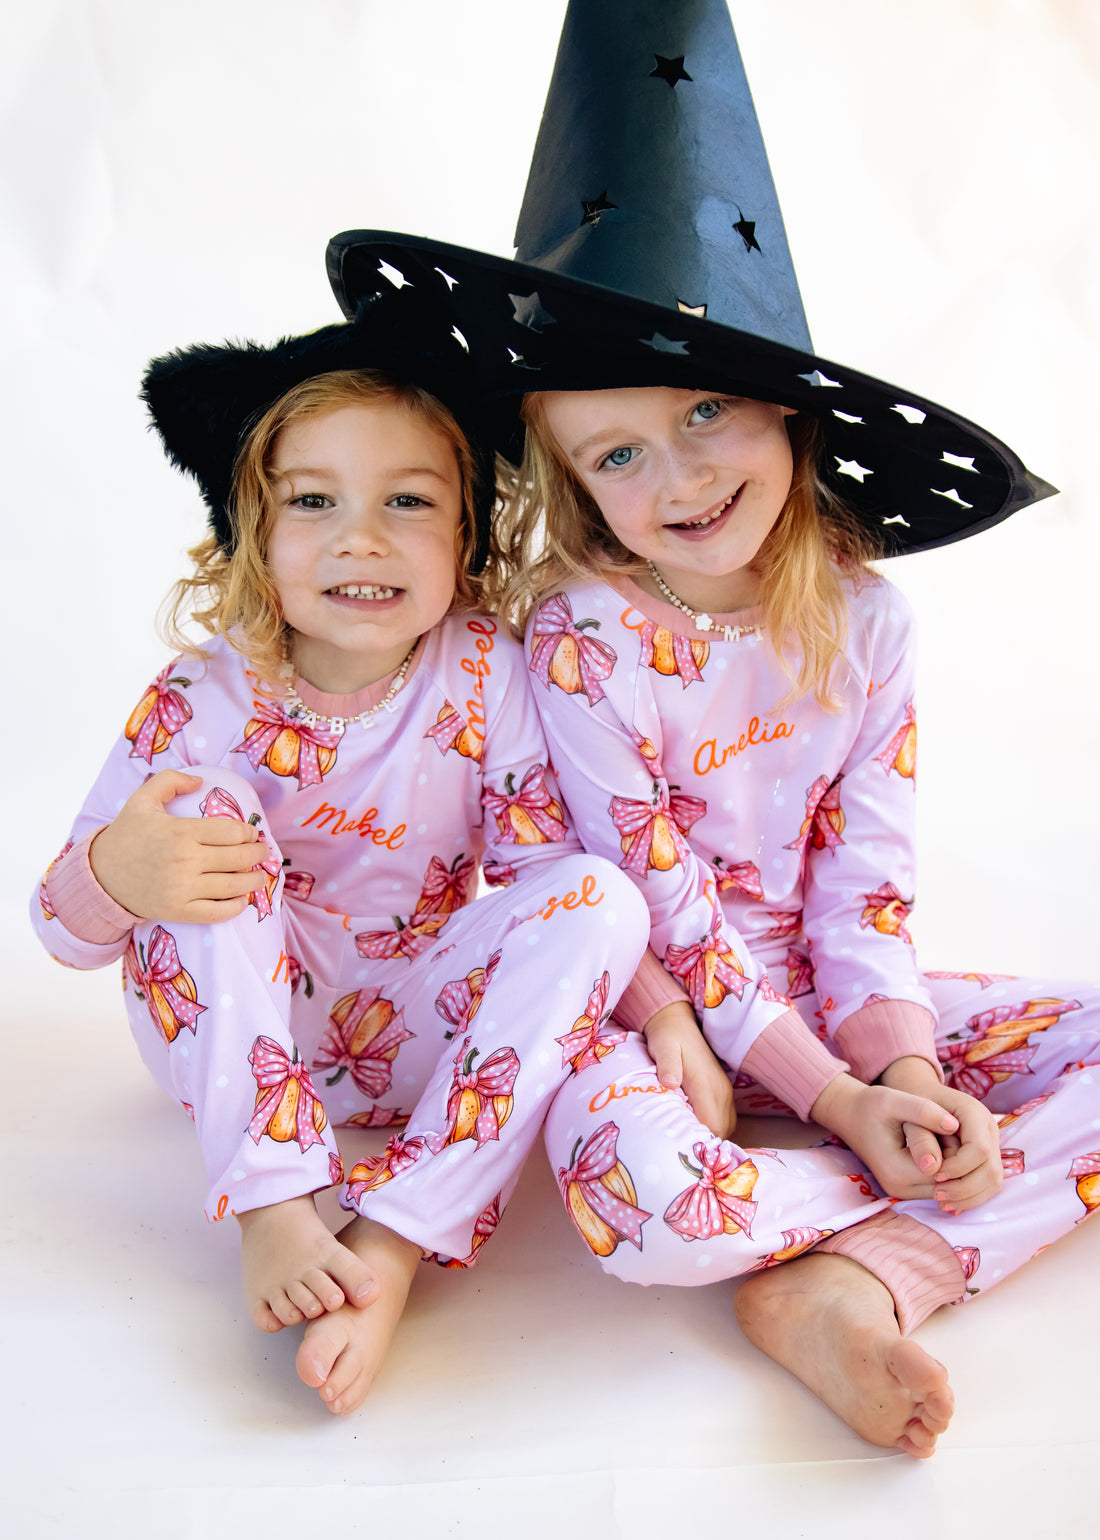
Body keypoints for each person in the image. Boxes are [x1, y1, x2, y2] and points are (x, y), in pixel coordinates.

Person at [320, 0, 1098, 1457]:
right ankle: (836, 1222)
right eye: (616, 452)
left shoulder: (867, 625)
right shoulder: (582, 638)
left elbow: (868, 885)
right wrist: (819, 1092)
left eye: (707, 414)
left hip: (836, 1006)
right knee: (644, 1204)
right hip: (648, 1015)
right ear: (571, 485)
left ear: (792, 414)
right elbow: (643, 889)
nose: (675, 474)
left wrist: (907, 1073)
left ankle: (857, 1275)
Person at [29, 291, 653, 1416]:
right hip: (241, 1025)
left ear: (463, 534)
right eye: (311, 500)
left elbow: (531, 886)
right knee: (200, 807)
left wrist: (638, 1011)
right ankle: (274, 1197)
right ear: (252, 534)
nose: (360, 537)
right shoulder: (201, 697)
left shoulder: (482, 667)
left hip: (416, 1027)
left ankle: (402, 1229)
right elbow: (58, 930)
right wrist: (121, 873)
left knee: (598, 895)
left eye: (407, 501)